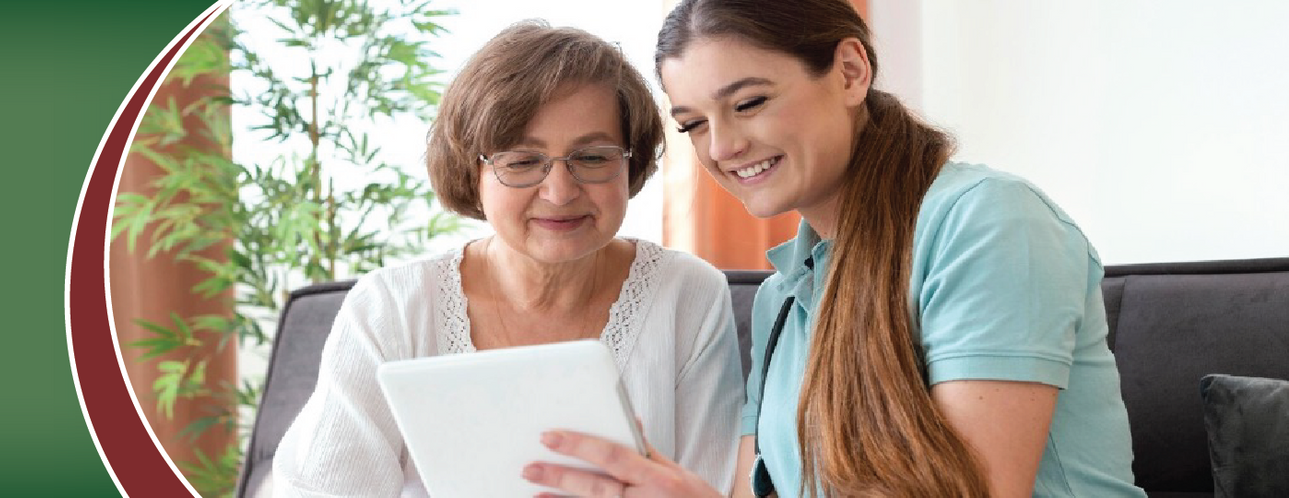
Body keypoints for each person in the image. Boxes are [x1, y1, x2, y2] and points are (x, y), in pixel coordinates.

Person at [521, 1, 1146, 497]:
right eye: (695, 124)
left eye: (749, 103)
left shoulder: (987, 221)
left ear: (851, 71)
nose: (722, 147)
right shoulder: (781, 298)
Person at [269, 20, 743, 497]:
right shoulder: (391, 307)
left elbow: (712, 485)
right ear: (471, 172)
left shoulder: (689, 294)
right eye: (520, 161)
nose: (559, 192)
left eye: (593, 157)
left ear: (630, 162)